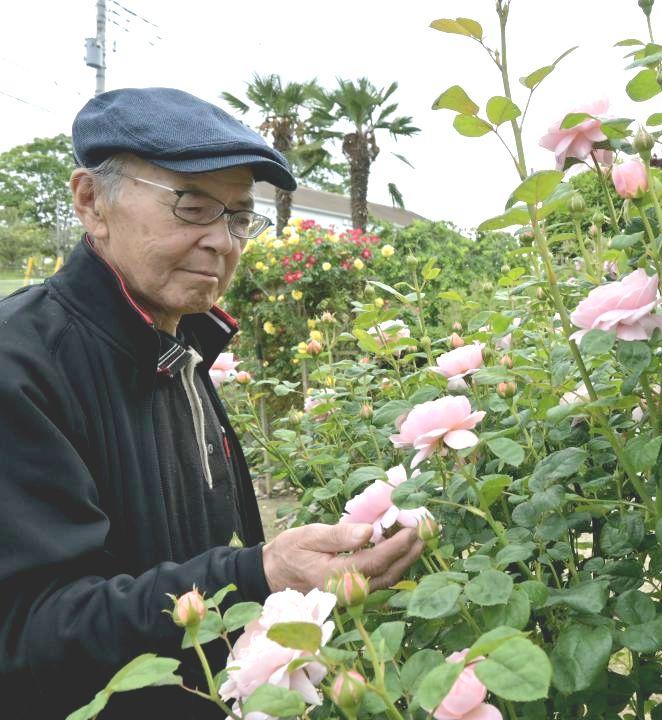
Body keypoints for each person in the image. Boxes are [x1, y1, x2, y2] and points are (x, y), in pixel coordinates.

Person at [0, 87, 423, 718]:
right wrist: (257, 576)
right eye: (192, 208)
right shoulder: (21, 366)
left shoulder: (175, 343)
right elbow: (29, 628)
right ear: (91, 202)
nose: (223, 242)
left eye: (237, 217)